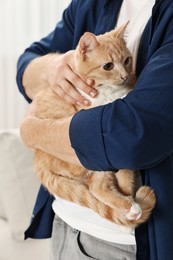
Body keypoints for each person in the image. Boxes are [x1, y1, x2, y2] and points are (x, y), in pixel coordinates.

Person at [16, 0, 173, 259]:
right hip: (63, 223)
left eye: (125, 62)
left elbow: (131, 136)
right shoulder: (91, 3)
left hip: (123, 244)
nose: (124, 74)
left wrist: (33, 132)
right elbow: (27, 63)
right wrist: (51, 67)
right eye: (112, 66)